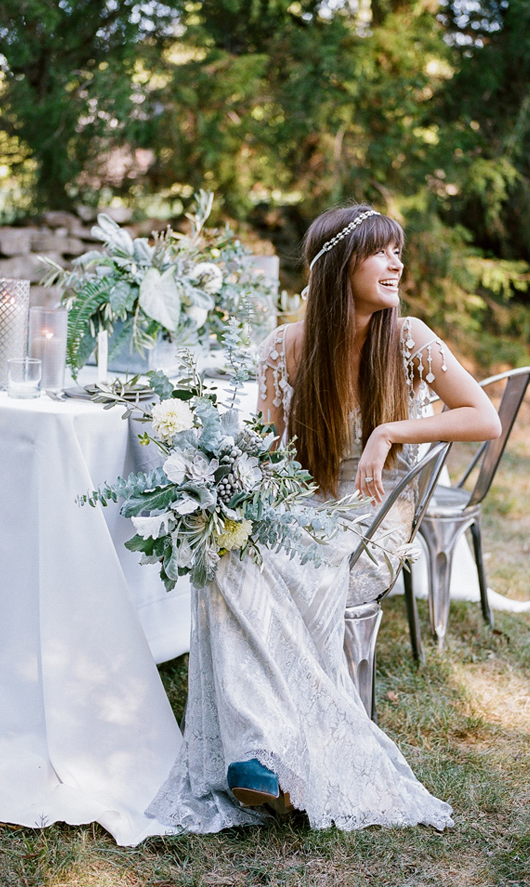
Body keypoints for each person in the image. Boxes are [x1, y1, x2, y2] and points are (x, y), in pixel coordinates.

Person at [145, 205, 501, 835]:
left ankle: (274, 751)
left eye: (399, 251)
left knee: (283, 567)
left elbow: (483, 417)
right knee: (227, 548)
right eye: (380, 252)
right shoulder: (285, 348)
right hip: (305, 506)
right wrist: (236, 499)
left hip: (377, 511)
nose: (397, 263)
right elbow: (273, 458)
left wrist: (390, 430)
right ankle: (261, 753)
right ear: (341, 266)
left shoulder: (410, 337)